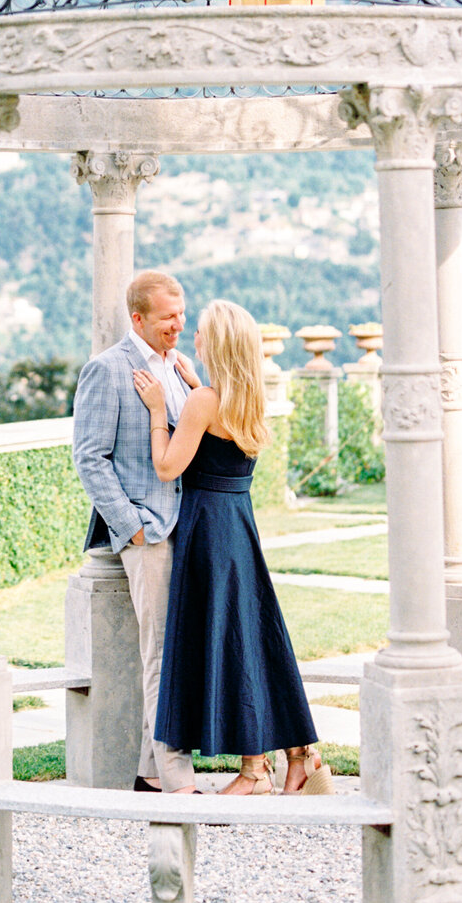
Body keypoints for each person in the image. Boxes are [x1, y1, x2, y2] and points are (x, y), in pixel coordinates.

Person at [133, 297, 332, 796]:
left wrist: (160, 410)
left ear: (215, 343)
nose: (192, 337)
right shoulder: (246, 398)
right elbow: (222, 436)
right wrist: (196, 385)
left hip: (207, 532)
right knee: (255, 639)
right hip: (238, 525)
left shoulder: (204, 402)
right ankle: (294, 758)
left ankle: (261, 769)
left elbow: (167, 467)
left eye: (199, 331)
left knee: (232, 641)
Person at [72, 270, 198, 795]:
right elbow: (90, 458)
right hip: (149, 533)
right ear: (138, 318)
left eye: (182, 313)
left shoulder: (179, 367)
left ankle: (149, 770)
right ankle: (177, 777)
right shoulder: (107, 370)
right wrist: (132, 528)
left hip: (186, 528)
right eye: (169, 317)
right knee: (160, 654)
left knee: (174, 649)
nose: (179, 324)